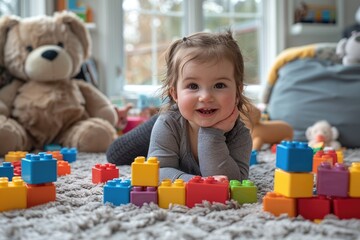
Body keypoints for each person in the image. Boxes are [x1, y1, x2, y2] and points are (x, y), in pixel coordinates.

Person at [107, 30, 252, 182]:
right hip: (172, 122)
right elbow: (158, 172)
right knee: (116, 154)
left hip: (184, 115)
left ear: (238, 92)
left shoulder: (240, 135)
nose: (206, 96)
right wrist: (196, 183)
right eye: (193, 86)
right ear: (175, 94)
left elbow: (233, 182)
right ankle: (153, 121)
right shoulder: (168, 123)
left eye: (219, 85)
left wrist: (212, 135)